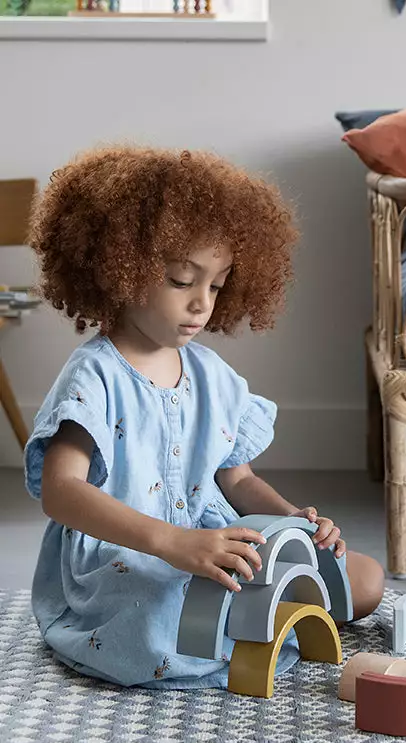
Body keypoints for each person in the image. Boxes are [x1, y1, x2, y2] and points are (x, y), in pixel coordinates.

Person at [22, 145, 385, 689]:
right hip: (132, 553)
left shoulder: (211, 374)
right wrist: (172, 543)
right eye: (180, 280)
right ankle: (243, 625)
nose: (201, 304)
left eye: (215, 285)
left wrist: (295, 521)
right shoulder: (94, 376)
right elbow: (60, 492)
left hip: (213, 540)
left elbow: (236, 479)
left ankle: (243, 619)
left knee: (363, 578)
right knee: (161, 608)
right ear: (119, 270)